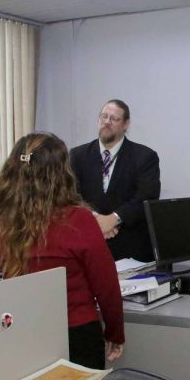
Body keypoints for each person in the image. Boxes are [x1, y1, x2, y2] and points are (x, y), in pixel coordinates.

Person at [0, 133, 125, 370]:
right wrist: (115, 333)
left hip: (23, 332)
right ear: (61, 172)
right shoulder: (78, 220)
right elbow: (106, 287)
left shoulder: (0, 218)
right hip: (76, 334)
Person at [70, 99, 161, 262]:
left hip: (131, 247)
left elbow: (147, 196)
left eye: (114, 119)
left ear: (126, 124)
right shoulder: (77, 155)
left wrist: (114, 218)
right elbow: (70, 195)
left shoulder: (145, 156)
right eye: (104, 117)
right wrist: (96, 220)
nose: (107, 122)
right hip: (89, 245)